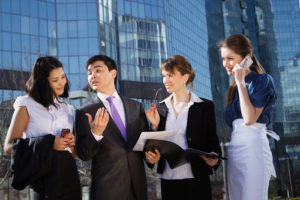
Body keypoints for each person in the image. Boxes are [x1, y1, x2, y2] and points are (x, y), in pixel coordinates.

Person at [4, 56, 81, 200]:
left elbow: (74, 153)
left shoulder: (69, 109)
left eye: (63, 77)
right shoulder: (26, 104)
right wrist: (50, 142)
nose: (61, 83)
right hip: (43, 181)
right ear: (43, 82)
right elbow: (9, 147)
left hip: (70, 179)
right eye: (55, 80)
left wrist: (72, 142)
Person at [145, 55, 222, 200]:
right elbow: (153, 145)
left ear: (185, 77)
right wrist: (154, 127)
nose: (165, 81)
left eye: (170, 75)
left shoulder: (205, 106)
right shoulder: (160, 108)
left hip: (197, 178)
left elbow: (212, 139)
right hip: (169, 180)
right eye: (164, 76)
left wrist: (214, 157)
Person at [75, 55, 149, 200]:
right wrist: (95, 133)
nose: (92, 76)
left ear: (113, 73)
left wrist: (152, 158)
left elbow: (144, 147)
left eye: (98, 71)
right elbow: (83, 154)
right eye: (89, 73)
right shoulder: (84, 112)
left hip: (137, 188)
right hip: (107, 190)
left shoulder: (136, 107)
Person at [219, 34, 278, 200]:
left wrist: (241, 82)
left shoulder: (262, 81)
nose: (226, 64)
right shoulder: (234, 89)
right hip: (235, 148)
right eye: (223, 59)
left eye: (230, 58)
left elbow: (249, 119)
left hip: (253, 147)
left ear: (247, 59)